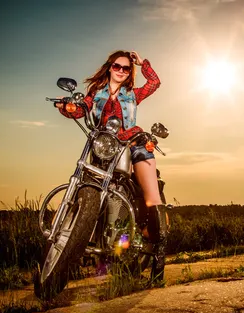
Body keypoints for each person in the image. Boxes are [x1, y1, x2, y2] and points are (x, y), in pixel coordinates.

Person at [55, 50, 168, 282]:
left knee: (152, 197)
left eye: (126, 69)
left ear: (129, 73)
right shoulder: (95, 93)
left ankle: (159, 259)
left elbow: (155, 83)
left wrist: (142, 62)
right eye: (117, 66)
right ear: (109, 66)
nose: (121, 71)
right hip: (103, 147)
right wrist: (67, 107)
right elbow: (81, 108)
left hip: (132, 144)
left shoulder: (133, 95)